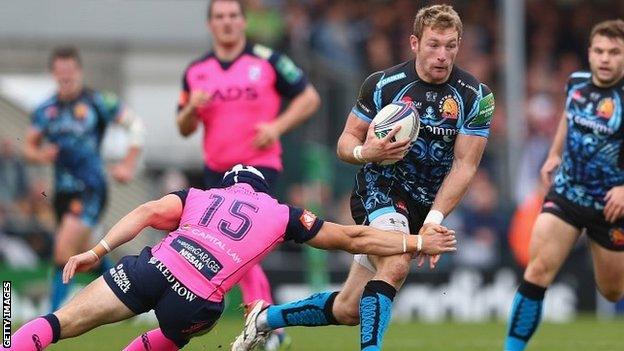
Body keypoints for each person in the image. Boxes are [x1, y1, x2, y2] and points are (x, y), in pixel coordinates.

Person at [232, 4, 495, 351]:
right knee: (398, 261)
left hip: (423, 205)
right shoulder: (384, 84)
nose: (442, 55)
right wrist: (365, 153)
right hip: (380, 188)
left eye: (450, 45)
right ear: (414, 43)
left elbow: (465, 166)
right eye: (434, 44)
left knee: (348, 308)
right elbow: (346, 142)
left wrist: (433, 220)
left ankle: (265, 319)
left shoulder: (476, 97)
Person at [9, 165, 457, 351]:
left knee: (60, 323)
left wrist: (97, 250)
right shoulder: (282, 213)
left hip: (153, 268)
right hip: (198, 303)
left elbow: (146, 212)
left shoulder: (200, 195)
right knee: (172, 331)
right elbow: (356, 238)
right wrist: (417, 242)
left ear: (228, 184)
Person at [176, 0, 320, 348]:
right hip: (217, 173)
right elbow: (183, 127)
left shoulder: (268, 60)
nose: (227, 22)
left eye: (233, 16)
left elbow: (309, 98)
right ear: (211, 25)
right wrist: (192, 107)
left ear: (243, 21)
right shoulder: (197, 70)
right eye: (220, 17)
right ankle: (271, 326)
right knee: (236, 250)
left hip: (259, 168)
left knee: (240, 247)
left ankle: (268, 325)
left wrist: (277, 126)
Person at [503, 19, 624, 351]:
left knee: (612, 290)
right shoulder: (577, 83)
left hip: (610, 207)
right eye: (599, 50)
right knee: (538, 268)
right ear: (590, 52)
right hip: (568, 192)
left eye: (614, 52)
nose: (605, 58)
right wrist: (554, 154)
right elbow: (568, 120)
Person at [24, 46, 145, 311]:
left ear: (79, 71)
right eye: (60, 72)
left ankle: (52, 319)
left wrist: (127, 163)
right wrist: (41, 155)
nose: (66, 77)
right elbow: (29, 147)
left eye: (70, 71)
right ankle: (128, 292)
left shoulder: (98, 102)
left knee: (62, 250)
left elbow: (135, 126)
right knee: (84, 253)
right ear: (53, 74)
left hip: (91, 188)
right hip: (62, 192)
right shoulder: (46, 110)